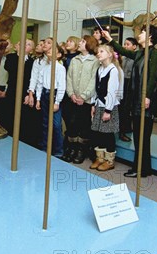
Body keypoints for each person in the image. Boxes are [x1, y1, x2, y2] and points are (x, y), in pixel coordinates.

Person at [103, 25, 157, 178]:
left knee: (142, 136)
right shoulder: (140, 53)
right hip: (136, 101)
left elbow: (153, 77)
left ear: (150, 36)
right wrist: (110, 39)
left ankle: (141, 168)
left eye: (142, 32)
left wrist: (147, 96)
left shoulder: (154, 54)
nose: (139, 34)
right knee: (138, 136)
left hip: (145, 101)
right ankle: (142, 167)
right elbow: (124, 52)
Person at [63, 35, 99, 163]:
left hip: (86, 101)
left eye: (83, 41)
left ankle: (81, 151)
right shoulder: (75, 60)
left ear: (89, 44)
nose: (80, 43)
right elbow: (69, 78)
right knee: (72, 124)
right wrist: (71, 93)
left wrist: (83, 97)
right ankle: (71, 149)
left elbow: (93, 81)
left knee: (84, 126)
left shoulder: (95, 61)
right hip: (73, 99)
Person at [90, 44, 122, 171]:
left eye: (102, 51)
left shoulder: (113, 70)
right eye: (98, 52)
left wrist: (108, 110)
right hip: (99, 104)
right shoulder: (100, 69)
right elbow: (96, 88)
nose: (98, 53)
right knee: (99, 132)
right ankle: (100, 158)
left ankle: (109, 160)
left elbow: (112, 92)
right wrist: (93, 104)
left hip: (108, 106)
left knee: (108, 134)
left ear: (109, 54)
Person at [36, 44, 66, 157]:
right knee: (45, 123)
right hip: (45, 94)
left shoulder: (60, 68)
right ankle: (44, 148)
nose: (49, 50)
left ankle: (58, 152)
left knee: (56, 125)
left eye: (53, 49)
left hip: (54, 96)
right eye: (48, 49)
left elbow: (62, 86)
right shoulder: (44, 67)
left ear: (58, 55)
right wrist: (38, 99)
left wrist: (57, 102)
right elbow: (39, 84)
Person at [118, 37, 138, 142]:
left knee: (126, 109)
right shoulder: (123, 57)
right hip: (122, 83)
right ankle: (122, 129)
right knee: (121, 108)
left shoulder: (136, 58)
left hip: (130, 84)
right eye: (124, 44)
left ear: (134, 47)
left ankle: (124, 131)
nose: (125, 46)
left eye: (128, 44)